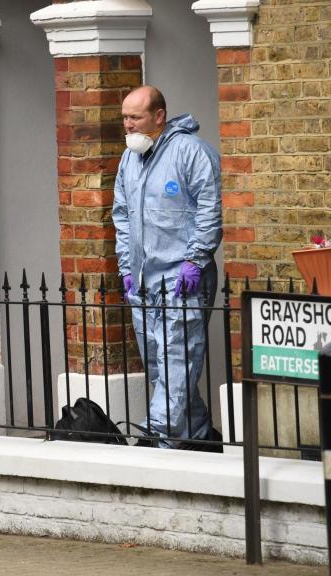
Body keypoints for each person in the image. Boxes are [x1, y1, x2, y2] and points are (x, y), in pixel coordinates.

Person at [112, 86, 222, 449]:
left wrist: (195, 260)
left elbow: (209, 210)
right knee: (158, 364)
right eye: (124, 117)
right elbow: (123, 216)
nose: (127, 125)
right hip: (144, 279)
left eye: (135, 117)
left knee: (178, 356)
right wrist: (127, 267)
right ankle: (200, 435)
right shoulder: (130, 159)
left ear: (158, 116)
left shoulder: (191, 153)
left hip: (181, 279)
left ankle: (158, 434)